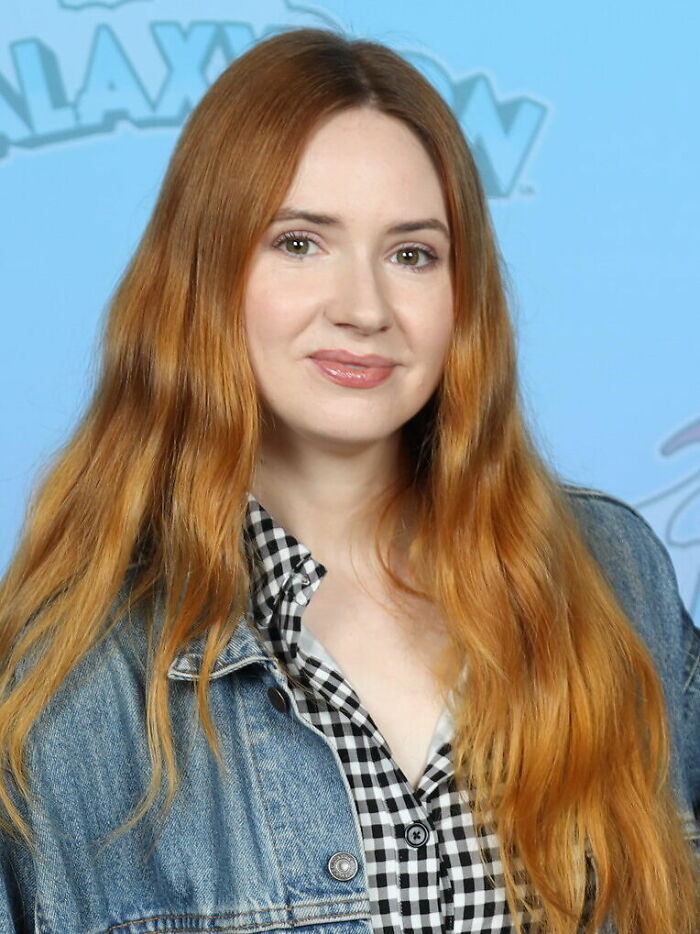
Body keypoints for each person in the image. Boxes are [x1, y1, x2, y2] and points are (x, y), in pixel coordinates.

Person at [0, 26, 697, 934]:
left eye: (413, 254)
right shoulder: (68, 686)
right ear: (205, 273)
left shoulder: (612, 574)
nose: (365, 309)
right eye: (300, 243)